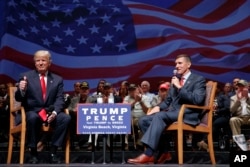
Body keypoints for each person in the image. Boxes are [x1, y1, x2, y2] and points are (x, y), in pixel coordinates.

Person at [127, 54, 206, 164]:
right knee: (143, 120)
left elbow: (197, 100)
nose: (177, 66)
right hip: (173, 113)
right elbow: (168, 102)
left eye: (180, 63)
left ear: (188, 64)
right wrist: (157, 107)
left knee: (160, 117)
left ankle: (148, 154)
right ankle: (164, 152)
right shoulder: (176, 80)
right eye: (176, 64)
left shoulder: (198, 79)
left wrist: (179, 87)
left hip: (187, 113)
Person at [15, 50, 71, 164]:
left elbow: (60, 99)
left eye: (43, 60)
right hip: (33, 111)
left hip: (50, 112)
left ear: (49, 63)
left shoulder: (57, 79)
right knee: (32, 118)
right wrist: (21, 89)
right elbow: (19, 98)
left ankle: (53, 151)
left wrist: (55, 113)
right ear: (34, 63)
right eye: (37, 61)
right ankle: (33, 152)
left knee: (66, 118)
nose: (40, 63)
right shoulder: (25, 77)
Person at [229, 79, 250, 151]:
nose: (241, 88)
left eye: (243, 86)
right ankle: (239, 144)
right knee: (233, 120)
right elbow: (231, 111)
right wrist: (238, 101)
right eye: (239, 87)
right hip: (239, 118)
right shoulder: (233, 98)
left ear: (247, 87)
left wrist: (247, 98)